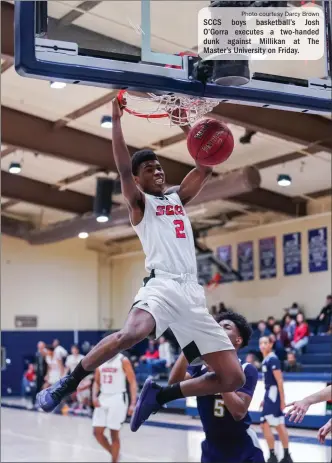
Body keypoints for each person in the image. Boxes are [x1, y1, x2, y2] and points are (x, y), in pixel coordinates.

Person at [37, 99, 245, 432]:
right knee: (132, 334)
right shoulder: (140, 204)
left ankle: (160, 396)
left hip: (192, 292)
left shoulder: (177, 197)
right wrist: (117, 122)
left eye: (159, 167)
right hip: (161, 285)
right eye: (149, 169)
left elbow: (204, 164)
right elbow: (122, 167)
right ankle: (69, 382)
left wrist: (185, 122)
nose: (158, 171)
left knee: (233, 377)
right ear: (137, 179)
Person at [169, 311, 264, 463]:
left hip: (243, 449)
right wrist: (188, 348)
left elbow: (239, 411)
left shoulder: (246, 369)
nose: (219, 329)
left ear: (238, 339)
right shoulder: (199, 367)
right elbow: (173, 387)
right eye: (217, 326)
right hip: (211, 449)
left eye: (226, 327)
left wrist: (219, 374)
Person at [92, 353, 137, 462]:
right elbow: (96, 382)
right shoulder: (100, 360)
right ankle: (115, 454)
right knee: (97, 432)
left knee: (114, 433)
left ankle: (114, 460)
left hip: (118, 397)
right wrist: (94, 396)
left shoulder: (123, 360)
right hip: (103, 397)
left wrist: (133, 403)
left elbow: (132, 382)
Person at [259, 336, 293, 463]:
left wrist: (282, 400)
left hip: (274, 397)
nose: (263, 345)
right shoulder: (267, 359)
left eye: (265, 343)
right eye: (261, 343)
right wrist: (265, 398)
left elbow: (279, 380)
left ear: (270, 345)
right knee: (278, 425)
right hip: (270, 396)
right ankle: (285, 455)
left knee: (265, 424)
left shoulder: (273, 359)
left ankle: (274, 455)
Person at [32, 341, 47, 407]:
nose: (40, 348)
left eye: (42, 346)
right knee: (36, 387)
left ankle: (44, 402)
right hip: (38, 374)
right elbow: (35, 365)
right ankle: (34, 402)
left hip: (45, 374)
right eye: (39, 346)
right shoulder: (37, 354)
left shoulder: (46, 354)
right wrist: (34, 374)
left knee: (44, 388)